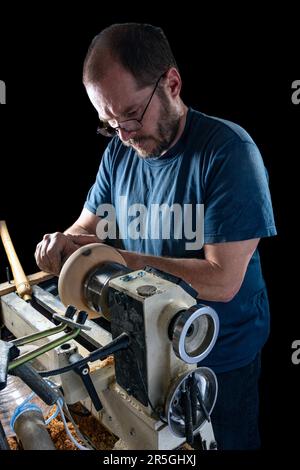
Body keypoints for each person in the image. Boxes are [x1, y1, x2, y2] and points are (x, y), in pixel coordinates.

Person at [35, 23, 277, 450]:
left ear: (172, 83)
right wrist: (64, 241)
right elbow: (85, 228)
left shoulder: (229, 152)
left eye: (130, 115)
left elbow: (222, 281)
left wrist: (116, 259)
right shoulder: (119, 151)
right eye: (109, 123)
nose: (124, 135)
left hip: (217, 359)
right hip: (142, 347)